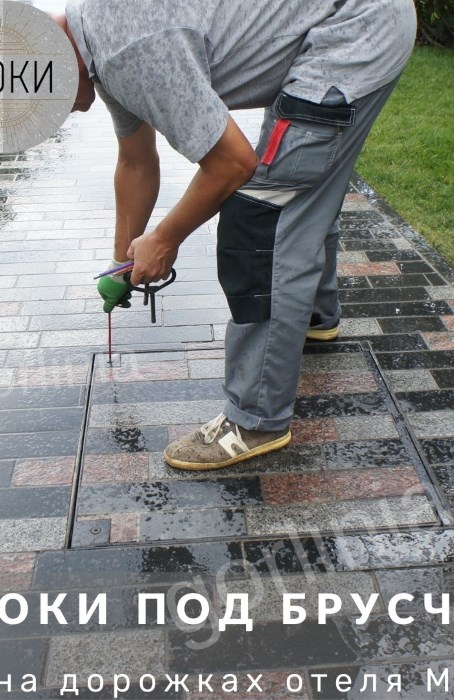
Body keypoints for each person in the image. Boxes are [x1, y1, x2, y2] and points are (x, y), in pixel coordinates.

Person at [57, 0, 417, 471]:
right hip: (348, 23)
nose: (61, 114)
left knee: (261, 216)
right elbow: (136, 162)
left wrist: (165, 239)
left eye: (49, 103)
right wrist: (121, 263)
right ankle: (313, 316)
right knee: (296, 183)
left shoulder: (128, 50)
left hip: (355, 28)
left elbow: (232, 164)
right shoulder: (95, 42)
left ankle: (256, 419)